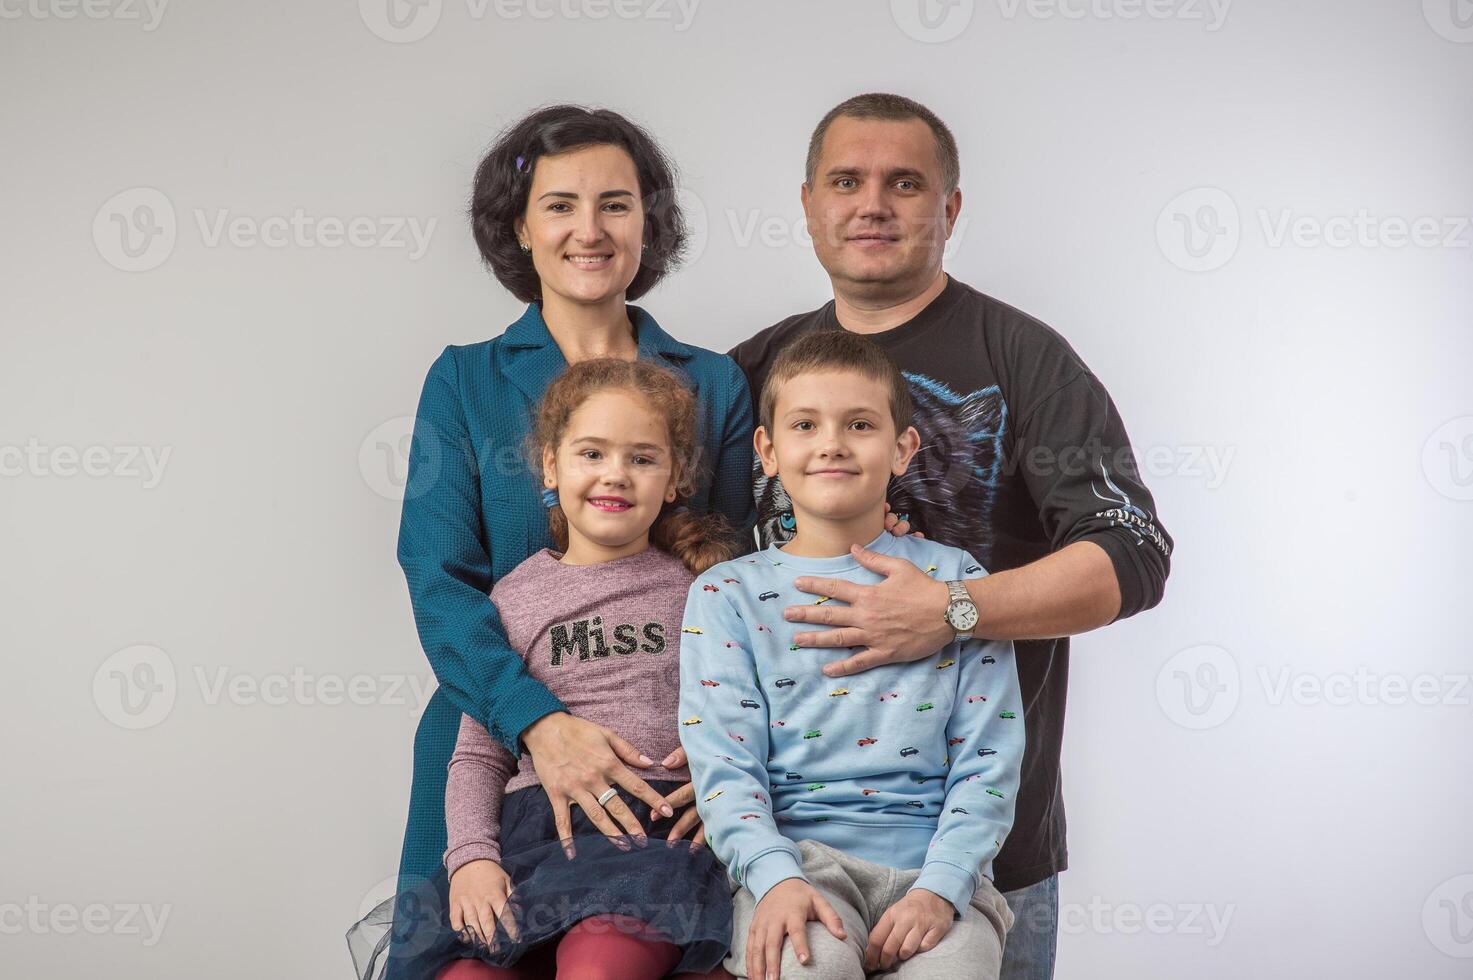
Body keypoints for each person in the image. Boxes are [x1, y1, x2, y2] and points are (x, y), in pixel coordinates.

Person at [728, 93, 1174, 979]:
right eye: (846, 181)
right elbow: (686, 566)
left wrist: (950, 610)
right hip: (793, 862)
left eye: (905, 183)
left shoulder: (1023, 358)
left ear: (950, 208)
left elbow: (1132, 553)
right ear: (809, 202)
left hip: (986, 862)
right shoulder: (748, 373)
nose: (872, 205)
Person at [386, 105, 758, 974]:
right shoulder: (465, 379)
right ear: (519, 226)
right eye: (559, 205)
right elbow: (438, 582)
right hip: (487, 753)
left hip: (658, 793)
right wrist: (537, 724)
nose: (587, 230)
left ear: (649, 221)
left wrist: (728, 766)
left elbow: (737, 584)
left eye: (615, 204)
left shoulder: (713, 383)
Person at [353, 359, 742, 979]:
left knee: (599, 964)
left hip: (652, 844)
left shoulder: (706, 590)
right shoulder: (515, 597)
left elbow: (755, 709)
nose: (615, 473)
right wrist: (473, 858)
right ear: (551, 468)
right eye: (592, 453)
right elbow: (479, 754)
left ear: (675, 480)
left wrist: (730, 778)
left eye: (643, 458)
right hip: (533, 840)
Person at [679, 331, 1024, 980]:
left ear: (901, 450)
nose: (832, 442)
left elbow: (988, 758)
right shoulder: (724, 595)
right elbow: (723, 766)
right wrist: (771, 875)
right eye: (804, 424)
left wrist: (942, 885)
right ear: (768, 451)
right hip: (793, 869)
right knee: (811, 969)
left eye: (859, 424)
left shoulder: (956, 582)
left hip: (937, 873)